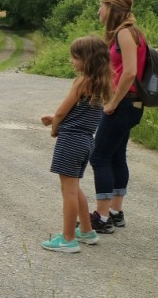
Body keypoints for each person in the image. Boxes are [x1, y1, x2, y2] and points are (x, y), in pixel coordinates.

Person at [40, 36, 112, 252]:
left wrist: (55, 127)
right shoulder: (101, 83)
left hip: (70, 140)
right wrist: (55, 119)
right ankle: (87, 231)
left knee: (68, 191)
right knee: (75, 187)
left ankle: (68, 238)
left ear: (86, 60)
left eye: (75, 57)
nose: (72, 60)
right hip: (86, 140)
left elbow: (63, 110)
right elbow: (82, 115)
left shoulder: (82, 82)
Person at [88, 0, 147, 233]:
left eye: (101, 6)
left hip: (123, 104)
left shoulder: (124, 32)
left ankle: (101, 218)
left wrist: (112, 103)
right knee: (116, 156)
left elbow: (131, 72)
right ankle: (115, 211)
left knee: (99, 157)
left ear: (112, 8)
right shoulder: (133, 32)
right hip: (131, 105)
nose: (99, 11)